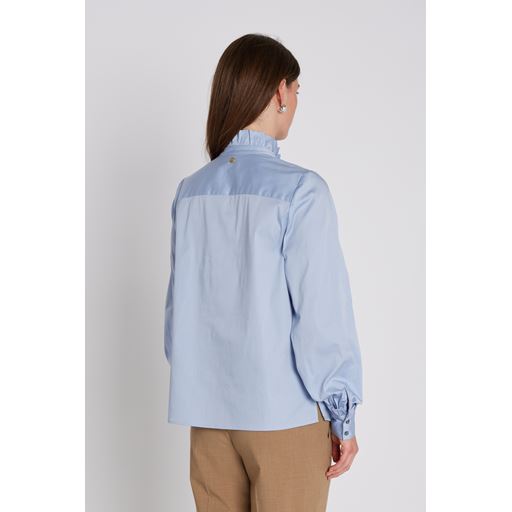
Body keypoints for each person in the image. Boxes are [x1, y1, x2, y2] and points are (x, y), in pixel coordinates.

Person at [164, 33, 363, 512]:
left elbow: (177, 322)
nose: (296, 100)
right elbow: (321, 316)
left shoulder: (190, 193)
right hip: (283, 418)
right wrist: (342, 414)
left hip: (208, 421)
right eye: (296, 89)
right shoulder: (301, 192)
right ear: (280, 91)